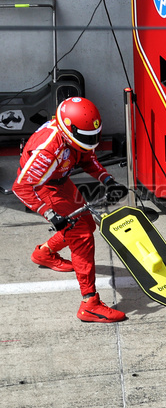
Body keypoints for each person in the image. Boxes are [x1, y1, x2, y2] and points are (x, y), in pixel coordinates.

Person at [14, 96, 128, 322]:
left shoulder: (75, 136)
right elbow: (21, 186)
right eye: (87, 137)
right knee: (81, 234)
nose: (92, 141)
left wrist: (108, 180)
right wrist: (49, 212)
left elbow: (87, 158)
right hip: (41, 187)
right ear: (68, 130)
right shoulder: (48, 149)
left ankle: (44, 254)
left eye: (94, 135)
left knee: (86, 224)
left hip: (59, 180)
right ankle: (90, 304)